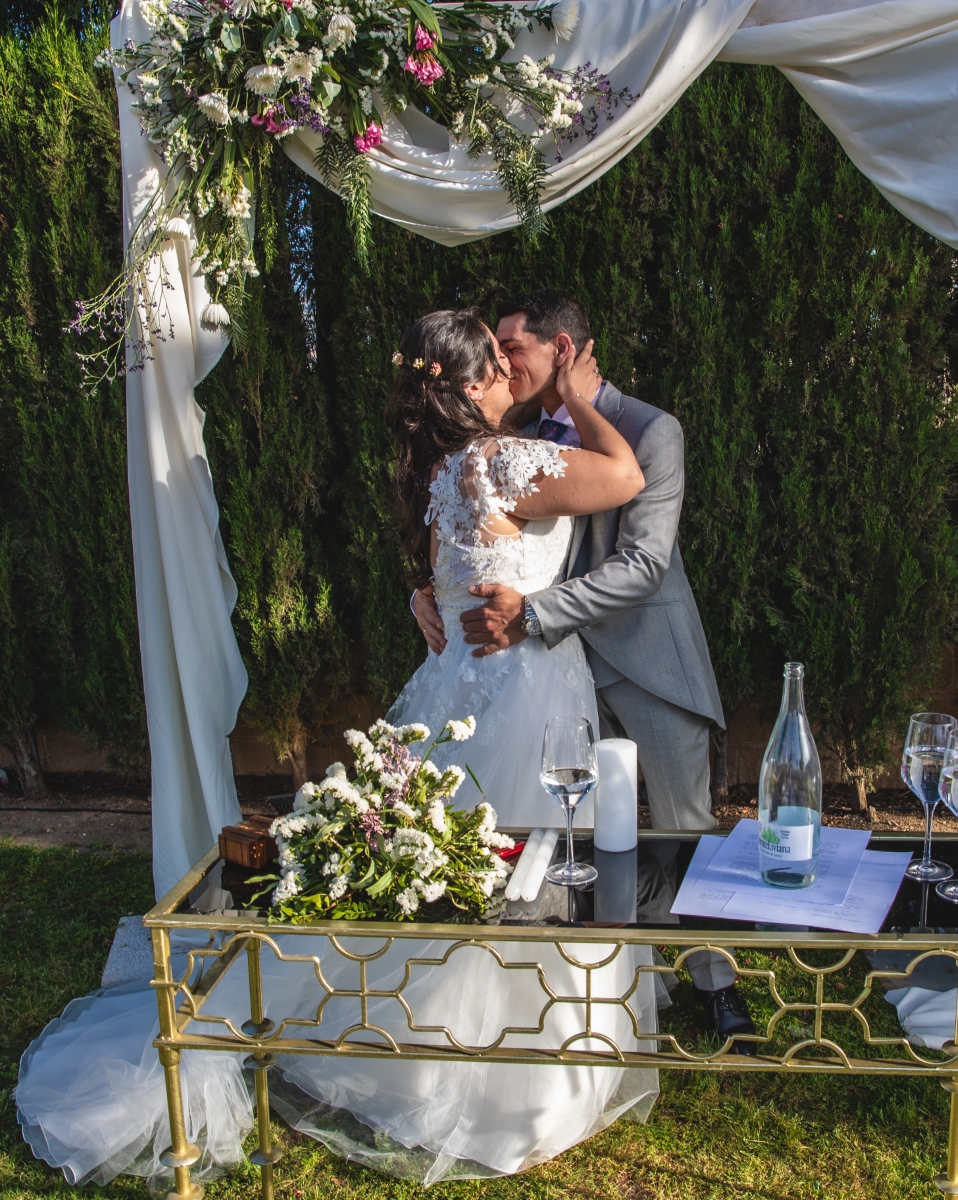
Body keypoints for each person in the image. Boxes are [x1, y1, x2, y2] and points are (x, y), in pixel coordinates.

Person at [14, 308, 663, 1191]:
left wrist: (420, 597)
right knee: (513, 873)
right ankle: (505, 1078)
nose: (514, 371)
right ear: (474, 385)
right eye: (500, 361)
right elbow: (625, 475)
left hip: (461, 689)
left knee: (462, 874)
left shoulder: (443, 471)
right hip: (522, 695)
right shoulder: (500, 461)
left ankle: (438, 1041)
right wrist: (578, 394)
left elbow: (444, 574)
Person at [412, 289, 756, 1053]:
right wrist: (427, 591)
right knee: (583, 842)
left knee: (684, 827)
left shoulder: (651, 429)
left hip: (647, 665)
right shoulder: (513, 435)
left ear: (561, 350)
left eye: (513, 348)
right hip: (553, 678)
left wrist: (533, 615)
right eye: (496, 354)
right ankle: (623, 983)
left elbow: (642, 565)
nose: (504, 364)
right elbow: (474, 533)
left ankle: (718, 983)